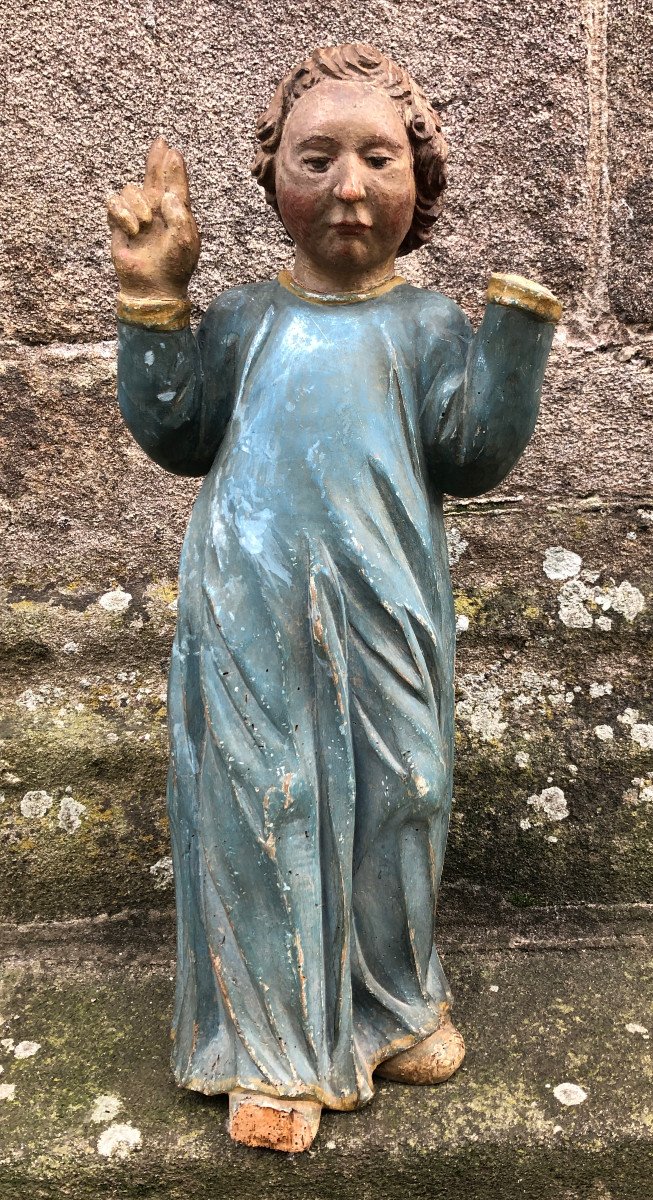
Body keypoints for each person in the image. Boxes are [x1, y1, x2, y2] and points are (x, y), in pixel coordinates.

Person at [106, 43, 561, 1153]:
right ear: (272, 183)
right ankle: (268, 1050)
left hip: (386, 595)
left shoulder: (421, 328)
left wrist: (510, 341)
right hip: (251, 600)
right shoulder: (246, 323)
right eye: (316, 158)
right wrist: (152, 295)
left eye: (376, 157)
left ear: (422, 182)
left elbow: (467, 455)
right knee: (268, 802)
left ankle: (394, 1002)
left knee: (405, 787)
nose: (348, 185)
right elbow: (173, 432)